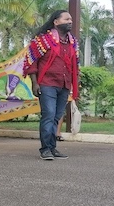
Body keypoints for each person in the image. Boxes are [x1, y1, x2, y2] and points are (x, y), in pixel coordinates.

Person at [23, 9, 79, 160]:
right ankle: (45, 149)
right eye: (66, 19)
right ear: (56, 22)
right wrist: (35, 83)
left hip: (64, 84)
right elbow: (31, 61)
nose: (70, 21)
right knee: (48, 115)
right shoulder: (42, 40)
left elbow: (75, 65)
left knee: (56, 117)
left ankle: (52, 147)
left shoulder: (72, 42)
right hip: (47, 83)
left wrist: (73, 84)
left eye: (71, 19)